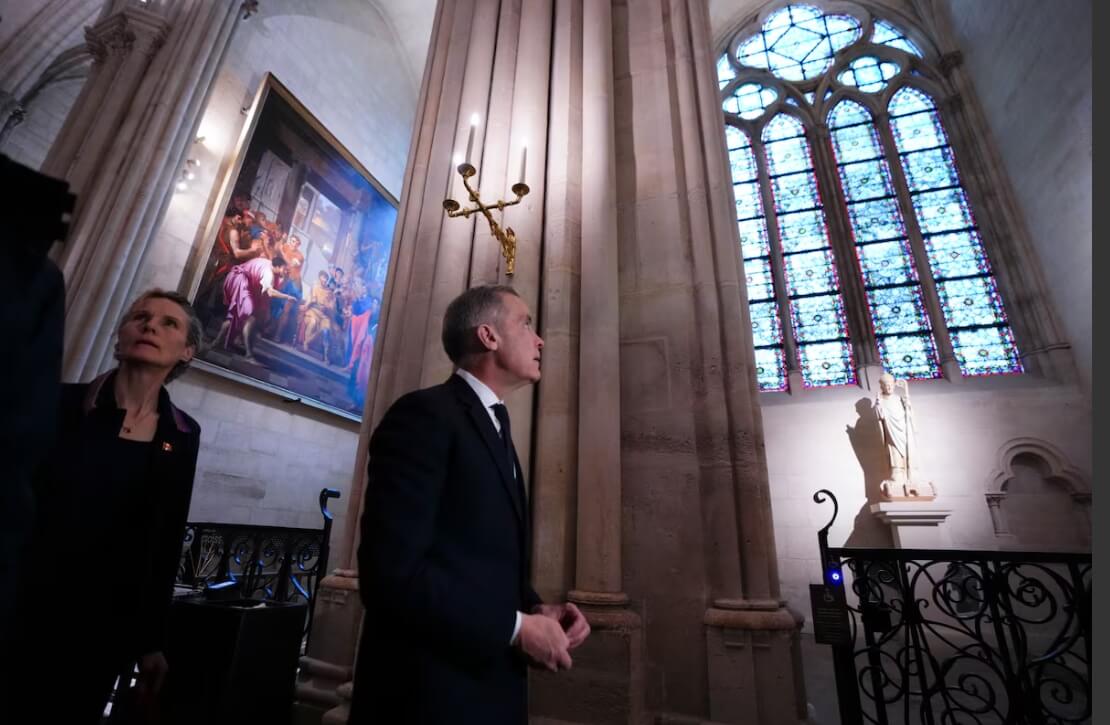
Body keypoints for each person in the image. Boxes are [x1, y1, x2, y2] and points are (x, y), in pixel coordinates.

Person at [350, 285, 590, 724]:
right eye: (526, 324)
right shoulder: (424, 416)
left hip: (485, 688)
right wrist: (516, 629)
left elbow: (474, 556)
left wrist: (535, 608)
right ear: (488, 336)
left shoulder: (495, 423)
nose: (539, 341)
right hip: (429, 696)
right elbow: (390, 576)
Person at [7, 289, 203, 724]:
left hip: (101, 623)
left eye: (169, 323)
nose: (150, 326)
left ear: (187, 351)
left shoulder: (183, 433)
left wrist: (152, 640)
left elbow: (166, 535)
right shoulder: (60, 403)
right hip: (24, 601)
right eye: (140, 317)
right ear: (120, 336)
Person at [213, 254, 296, 362]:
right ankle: (248, 354)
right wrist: (287, 297)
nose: (285, 271)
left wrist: (285, 278)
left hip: (248, 285)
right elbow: (270, 292)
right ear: (277, 266)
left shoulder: (272, 270)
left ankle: (218, 341)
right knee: (249, 315)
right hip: (240, 281)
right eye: (284, 269)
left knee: (239, 316)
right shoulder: (268, 273)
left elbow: (273, 287)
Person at [873, 372, 934, 498]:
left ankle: (911, 475)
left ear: (894, 385)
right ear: (882, 387)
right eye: (886, 385)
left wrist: (907, 400)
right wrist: (878, 405)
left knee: (908, 450)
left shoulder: (899, 399)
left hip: (903, 430)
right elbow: (881, 417)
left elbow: (909, 413)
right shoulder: (881, 400)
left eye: (891, 385)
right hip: (891, 431)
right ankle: (897, 475)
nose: (889, 387)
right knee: (894, 452)